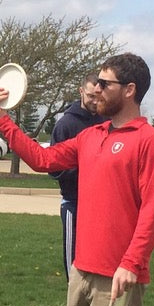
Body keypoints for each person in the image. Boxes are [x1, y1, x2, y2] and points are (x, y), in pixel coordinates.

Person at [0, 53, 154, 306]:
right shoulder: (90, 136)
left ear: (129, 90)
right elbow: (42, 159)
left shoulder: (148, 140)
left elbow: (152, 208)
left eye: (104, 83)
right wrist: (0, 117)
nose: (96, 88)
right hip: (81, 271)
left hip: (118, 276)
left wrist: (131, 263)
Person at [49, 73, 105, 280]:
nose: (94, 101)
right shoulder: (66, 125)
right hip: (75, 203)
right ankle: (74, 303)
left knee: (100, 259)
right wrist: (85, 169)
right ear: (81, 91)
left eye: (98, 96)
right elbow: (54, 168)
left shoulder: (107, 122)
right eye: (90, 96)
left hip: (102, 205)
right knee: (74, 261)